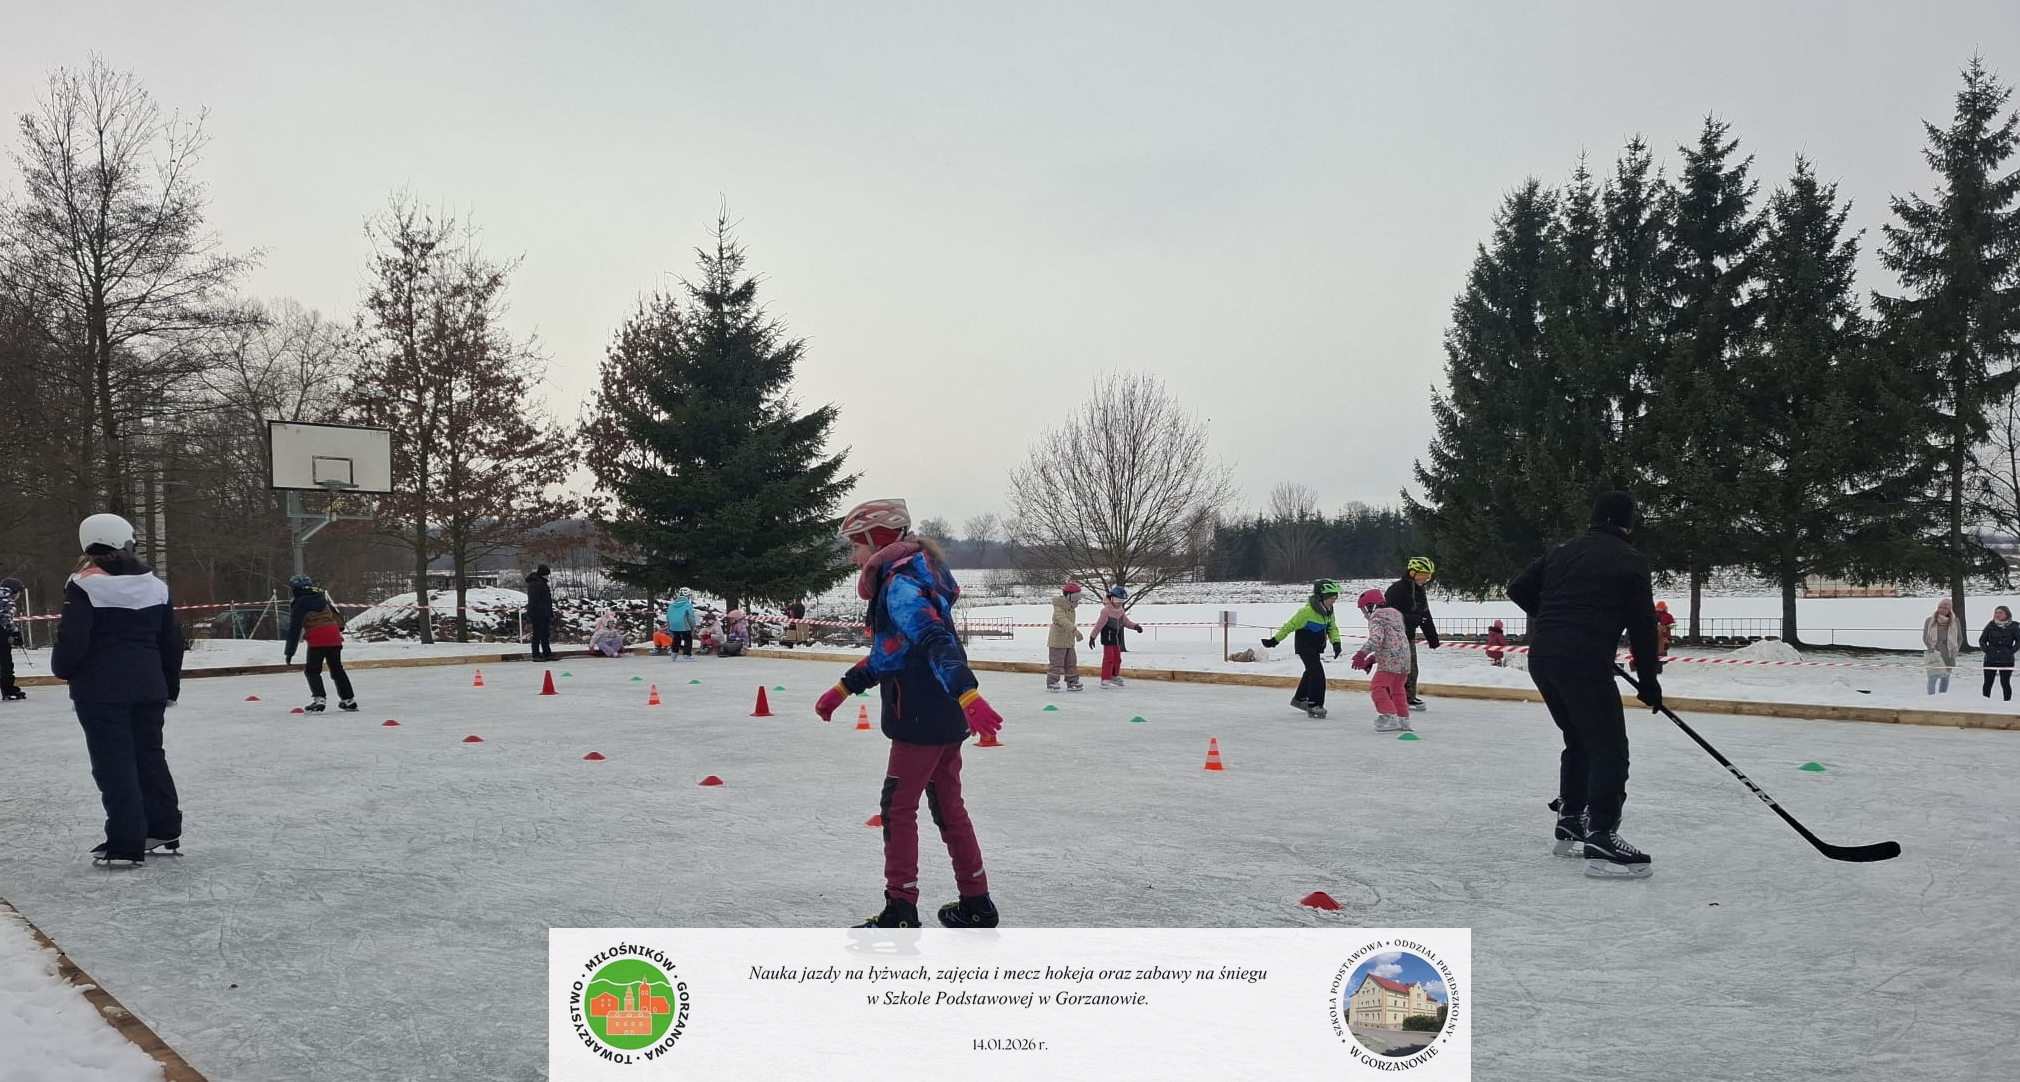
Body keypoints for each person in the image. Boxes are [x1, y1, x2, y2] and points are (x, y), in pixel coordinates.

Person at [811, 498, 1004, 929]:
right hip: (943, 713)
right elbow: (894, 652)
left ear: (877, 539)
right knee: (949, 806)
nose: (853, 556)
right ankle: (977, 901)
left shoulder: (900, 585)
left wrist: (968, 693)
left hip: (918, 715)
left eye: (855, 546)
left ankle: (900, 907)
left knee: (897, 807)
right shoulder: (918, 573)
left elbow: (935, 640)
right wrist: (844, 688)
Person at [1506, 490, 1662, 880]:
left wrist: (1556, 621)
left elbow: (1518, 588)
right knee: (1609, 747)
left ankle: (1572, 817)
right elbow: (1643, 625)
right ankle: (1602, 834)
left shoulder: (1563, 550)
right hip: (1582, 661)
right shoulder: (1629, 559)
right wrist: (1649, 681)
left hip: (1544, 658)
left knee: (1578, 738)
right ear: (1628, 523)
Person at [51, 513, 185, 867]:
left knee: (114, 762)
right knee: (150, 756)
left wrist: (62, 669)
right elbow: (172, 641)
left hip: (100, 689)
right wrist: (169, 685)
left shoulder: (83, 584)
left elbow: (73, 638)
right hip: (149, 686)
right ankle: (164, 826)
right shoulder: (155, 585)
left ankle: (126, 841)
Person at [1262, 579, 1343, 718]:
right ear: (1320, 597)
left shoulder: (1329, 611)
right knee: (1317, 674)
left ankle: (1299, 699)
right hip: (1305, 647)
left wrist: (1336, 643)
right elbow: (1289, 626)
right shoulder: (1306, 612)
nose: (1333, 601)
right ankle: (1314, 704)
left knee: (1311, 671)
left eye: (1335, 598)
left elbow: (1332, 627)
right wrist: (1274, 641)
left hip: (1316, 647)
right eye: (1331, 598)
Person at [283, 574, 356, 712]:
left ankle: (319, 699)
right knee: (337, 669)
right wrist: (336, 630)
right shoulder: (321, 598)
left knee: (312, 670)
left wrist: (289, 652)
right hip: (333, 635)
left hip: (317, 637)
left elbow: (294, 628)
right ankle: (348, 700)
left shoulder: (299, 603)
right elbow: (338, 618)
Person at [1350, 588, 1412, 732]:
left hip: (1390, 662)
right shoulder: (1395, 616)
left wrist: (1361, 654)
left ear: (1371, 606)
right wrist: (1372, 659)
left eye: (1364, 611)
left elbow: (1377, 639)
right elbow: (1393, 643)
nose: (1365, 615)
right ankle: (1404, 719)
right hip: (1405, 659)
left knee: (1378, 687)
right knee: (1397, 689)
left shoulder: (1376, 618)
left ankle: (1389, 716)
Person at [1385, 557, 1442, 710]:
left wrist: (1432, 638)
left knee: (1411, 669)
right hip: (1393, 637)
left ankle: (1408, 697)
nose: (1425, 579)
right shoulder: (1396, 590)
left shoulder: (1419, 591)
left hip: (1408, 636)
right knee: (1396, 669)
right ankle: (1390, 698)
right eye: (1422, 575)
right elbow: (1389, 615)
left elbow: (1425, 614)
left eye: (1428, 576)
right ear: (1412, 573)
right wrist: (1414, 619)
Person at [1088, 586, 1143, 688]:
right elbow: (1099, 625)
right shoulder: (1106, 611)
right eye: (1117, 600)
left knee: (1117, 659)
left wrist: (1136, 626)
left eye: (1121, 601)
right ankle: (1105, 678)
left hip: (1116, 638)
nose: (1119, 603)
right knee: (1109, 658)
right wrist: (1092, 637)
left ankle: (1114, 676)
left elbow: (1126, 622)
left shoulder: (1120, 610)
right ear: (1112, 598)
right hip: (1108, 638)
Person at [1045, 582, 1086, 692]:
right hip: (1057, 641)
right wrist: (1075, 631)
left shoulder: (1070, 607)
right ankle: (1052, 682)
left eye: (1078, 597)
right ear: (1068, 597)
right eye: (1075, 598)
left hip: (1068, 641)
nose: (1077, 601)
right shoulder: (1059, 607)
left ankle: (1072, 681)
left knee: (1071, 662)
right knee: (1056, 663)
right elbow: (1062, 620)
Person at [1924, 599, 1963, 694]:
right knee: (1932, 677)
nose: (1942, 609)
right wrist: (1931, 649)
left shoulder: (1955, 621)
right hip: (1934, 652)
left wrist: (1955, 649)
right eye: (1940, 607)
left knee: (1945, 677)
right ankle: (1931, 697)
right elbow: (1925, 637)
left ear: (1949, 610)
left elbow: (1959, 638)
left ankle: (1942, 696)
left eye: (1945, 608)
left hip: (1948, 652)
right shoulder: (1930, 620)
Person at [1980, 606, 2017, 702]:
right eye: (1996, 613)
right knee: (1988, 682)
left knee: (2005, 682)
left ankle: (2007, 701)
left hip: (2006, 660)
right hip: (1990, 659)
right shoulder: (1990, 625)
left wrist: (2011, 651)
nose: (1997, 615)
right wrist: (1987, 650)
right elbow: (1982, 640)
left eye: (2000, 612)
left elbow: (2018, 641)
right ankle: (1985, 701)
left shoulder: (2014, 626)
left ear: (2006, 614)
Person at [0, 576, 24, 700]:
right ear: (14, 591)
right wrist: (15, 633)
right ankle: (9, 690)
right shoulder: (8, 601)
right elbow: (5, 619)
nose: (19, 596)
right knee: (5, 663)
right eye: (19, 592)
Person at [525, 564, 555, 661]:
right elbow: (535, 601)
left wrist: (549, 612)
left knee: (545, 635)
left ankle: (547, 653)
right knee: (537, 635)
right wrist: (544, 610)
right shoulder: (535, 584)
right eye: (546, 574)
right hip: (537, 614)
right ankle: (536, 654)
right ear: (542, 574)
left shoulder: (542, 583)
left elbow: (547, 600)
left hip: (544, 614)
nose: (547, 576)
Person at [666, 587, 699, 660]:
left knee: (676, 639)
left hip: (673, 626)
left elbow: (668, 617)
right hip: (684, 626)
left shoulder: (672, 605)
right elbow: (691, 618)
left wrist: (669, 626)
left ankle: (673, 655)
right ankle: (687, 655)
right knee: (688, 639)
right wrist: (693, 626)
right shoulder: (687, 605)